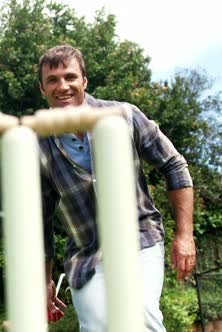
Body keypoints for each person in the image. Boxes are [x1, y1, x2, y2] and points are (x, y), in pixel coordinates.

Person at [37, 45, 196, 331]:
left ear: (84, 81)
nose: (63, 86)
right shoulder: (37, 145)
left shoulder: (124, 115)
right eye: (53, 80)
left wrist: (184, 235)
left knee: (141, 315)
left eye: (70, 77)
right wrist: (44, 279)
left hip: (139, 237)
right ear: (42, 88)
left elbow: (174, 165)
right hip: (86, 253)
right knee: (98, 327)